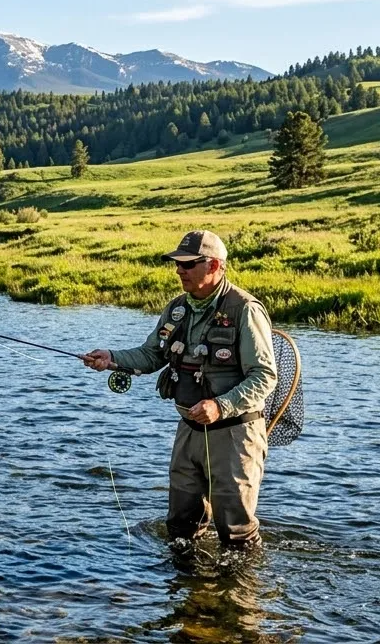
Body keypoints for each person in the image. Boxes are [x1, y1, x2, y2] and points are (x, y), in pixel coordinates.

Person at [81, 230, 277, 550]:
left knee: (236, 530)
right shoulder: (177, 308)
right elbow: (152, 354)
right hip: (188, 431)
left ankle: (241, 596)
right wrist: (112, 358)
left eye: (187, 264)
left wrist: (221, 406)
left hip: (234, 433)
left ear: (213, 265)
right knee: (181, 525)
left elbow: (265, 376)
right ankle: (186, 591)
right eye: (177, 263)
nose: (178, 270)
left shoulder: (245, 309)